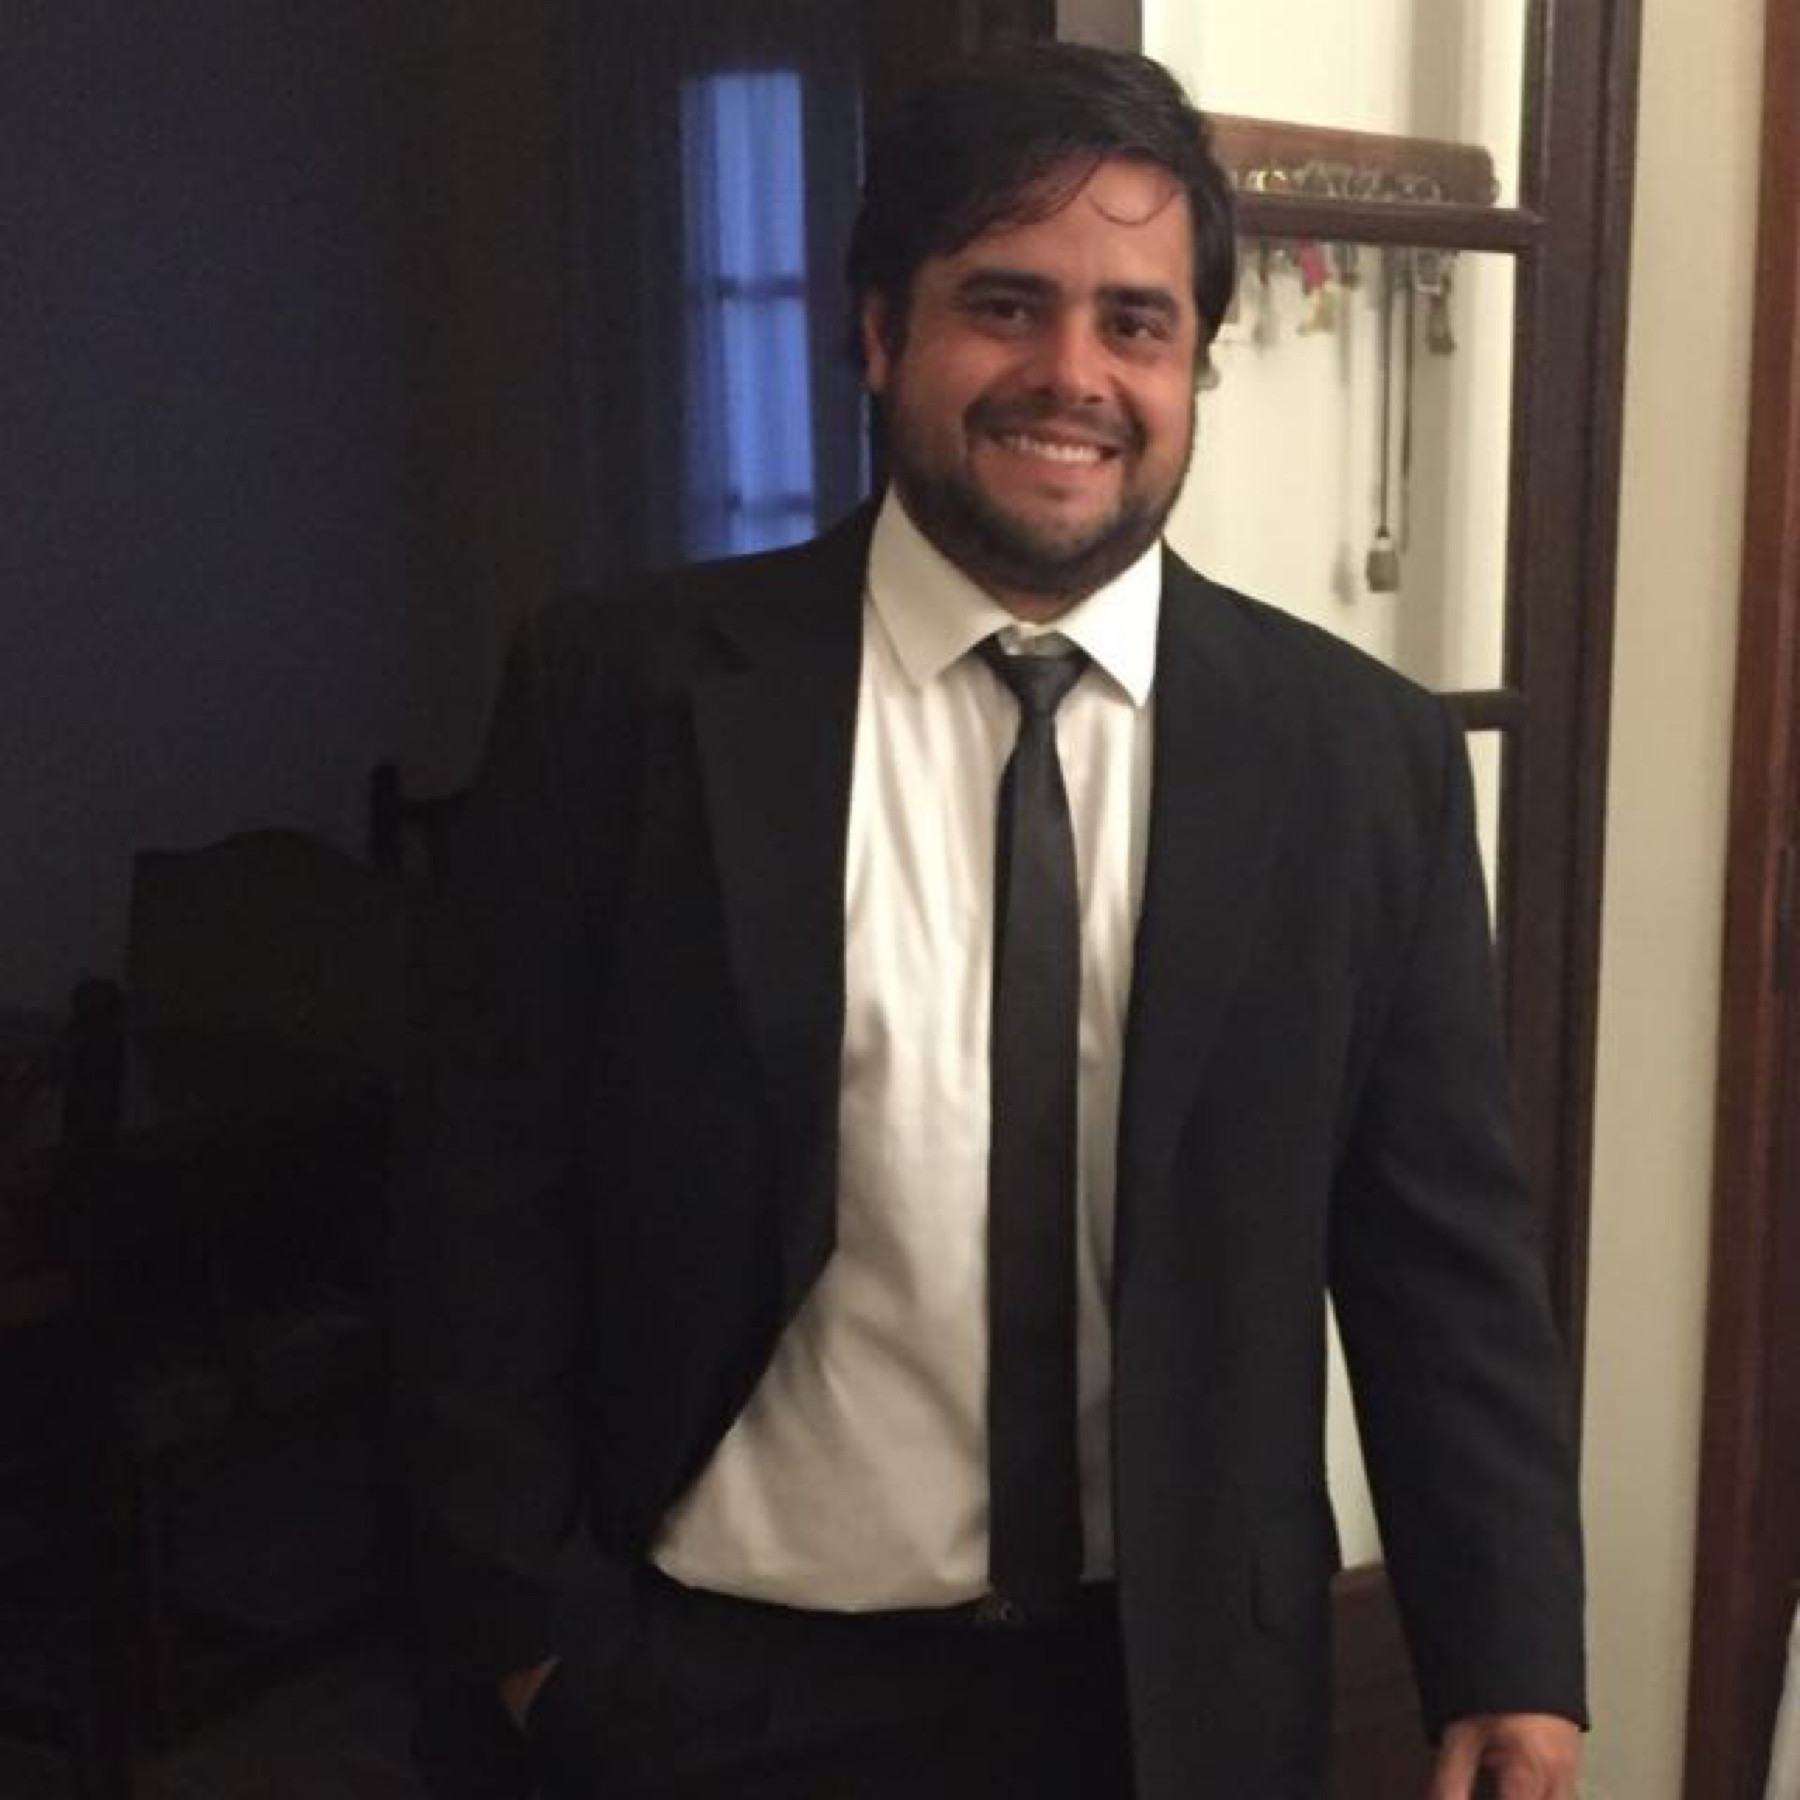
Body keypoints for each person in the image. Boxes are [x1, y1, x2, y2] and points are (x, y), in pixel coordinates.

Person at [401, 42, 1586, 1800]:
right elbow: (476, 1197)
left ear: (1193, 365)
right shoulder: (621, 697)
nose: (1072, 375)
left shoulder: (1362, 760)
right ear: (883, 332)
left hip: (1170, 1706)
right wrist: (533, 1635)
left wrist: (1507, 1654)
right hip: (712, 1691)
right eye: (1006, 303)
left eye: (1136, 322)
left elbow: (1440, 1259)